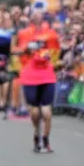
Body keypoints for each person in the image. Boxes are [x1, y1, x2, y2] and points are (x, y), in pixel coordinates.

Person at [17, 9, 60, 153]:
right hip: (30, 75)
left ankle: (46, 138)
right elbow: (20, 50)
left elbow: (56, 51)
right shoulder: (24, 33)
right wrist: (28, 48)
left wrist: (51, 59)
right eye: (33, 14)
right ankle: (36, 133)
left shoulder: (51, 33)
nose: (36, 17)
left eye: (39, 14)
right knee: (35, 112)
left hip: (47, 74)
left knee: (47, 111)